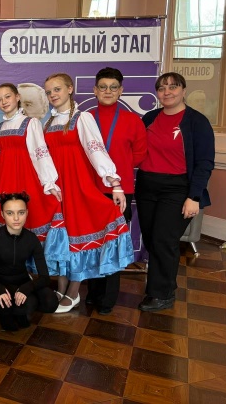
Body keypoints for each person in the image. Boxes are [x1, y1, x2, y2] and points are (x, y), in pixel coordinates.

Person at [43, 73, 134, 313]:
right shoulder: (48, 122)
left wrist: (114, 183)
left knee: (78, 234)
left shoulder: (82, 118)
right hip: (57, 189)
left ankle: (73, 292)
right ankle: (61, 287)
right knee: (62, 238)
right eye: (49, 91)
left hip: (77, 185)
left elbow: (97, 150)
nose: (53, 95)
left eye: (57, 89)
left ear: (70, 89)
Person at [136, 72, 215, 312]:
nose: (167, 92)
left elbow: (204, 163)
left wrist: (194, 197)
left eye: (173, 87)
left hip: (177, 188)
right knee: (151, 239)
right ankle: (160, 286)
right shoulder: (149, 118)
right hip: (147, 185)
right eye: (162, 88)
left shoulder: (197, 121)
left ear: (183, 90)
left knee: (164, 240)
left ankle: (162, 294)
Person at [86, 67, 147, 315]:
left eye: (113, 87)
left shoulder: (133, 120)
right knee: (92, 241)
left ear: (121, 91)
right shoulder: (86, 118)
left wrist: (116, 168)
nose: (108, 91)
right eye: (103, 87)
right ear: (95, 90)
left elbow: (140, 154)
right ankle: (93, 292)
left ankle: (108, 298)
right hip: (90, 190)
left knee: (112, 244)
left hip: (118, 191)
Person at [0, 84, 64, 247]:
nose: (4, 102)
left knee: (29, 212)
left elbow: (40, 153)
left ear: (17, 97)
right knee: (7, 216)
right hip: (4, 179)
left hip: (25, 177)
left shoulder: (31, 123)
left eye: (7, 97)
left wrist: (49, 182)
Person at [0, 192, 59, 331]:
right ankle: (9, 312)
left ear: (26, 213)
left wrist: (27, 288)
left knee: (50, 302)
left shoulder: (31, 239)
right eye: (10, 213)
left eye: (21, 213)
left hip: (21, 281)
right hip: (0, 283)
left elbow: (45, 277)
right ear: (2, 214)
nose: (16, 218)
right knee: (1, 304)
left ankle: (17, 310)